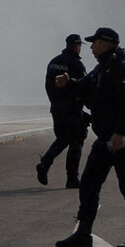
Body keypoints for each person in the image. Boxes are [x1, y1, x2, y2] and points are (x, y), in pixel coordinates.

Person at [53, 26, 125, 247]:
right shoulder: (103, 66)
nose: (91, 47)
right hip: (106, 137)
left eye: (94, 43)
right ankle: (83, 233)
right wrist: (69, 82)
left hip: (123, 138)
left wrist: (120, 133)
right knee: (89, 182)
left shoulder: (122, 67)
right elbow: (86, 86)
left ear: (105, 44)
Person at [36, 34, 89, 188]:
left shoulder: (53, 62)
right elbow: (83, 86)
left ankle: (45, 164)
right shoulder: (76, 64)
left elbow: (48, 86)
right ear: (77, 46)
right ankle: (72, 178)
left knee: (63, 139)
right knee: (76, 141)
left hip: (57, 108)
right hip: (72, 109)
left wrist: (55, 103)